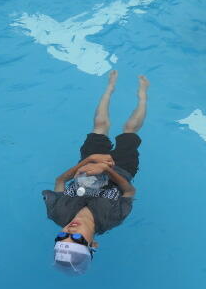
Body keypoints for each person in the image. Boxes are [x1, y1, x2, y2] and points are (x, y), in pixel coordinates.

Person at [44, 71, 149, 275]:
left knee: (100, 125)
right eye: (77, 239)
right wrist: (108, 169)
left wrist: (88, 161)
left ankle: (109, 88)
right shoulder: (112, 218)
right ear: (93, 244)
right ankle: (143, 95)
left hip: (89, 162)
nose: (70, 231)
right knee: (129, 129)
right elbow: (129, 192)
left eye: (61, 237)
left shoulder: (57, 212)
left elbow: (60, 180)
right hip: (123, 168)